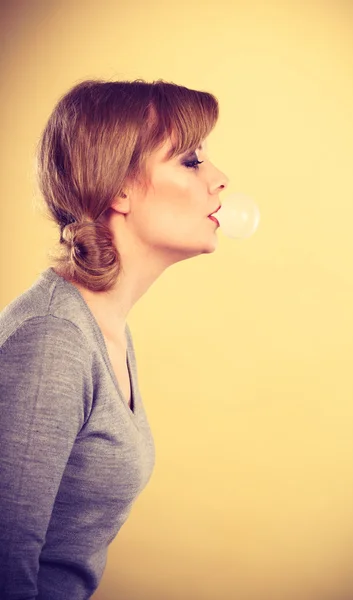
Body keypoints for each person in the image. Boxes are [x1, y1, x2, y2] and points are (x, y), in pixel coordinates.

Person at [0, 78, 229, 600]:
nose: (220, 180)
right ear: (119, 188)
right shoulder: (51, 342)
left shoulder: (105, 327)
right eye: (191, 161)